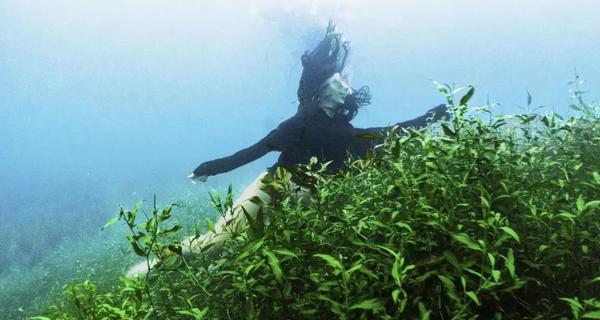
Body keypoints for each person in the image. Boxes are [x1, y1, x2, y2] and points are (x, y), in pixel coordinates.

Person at [126, 22, 446, 278]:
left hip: (310, 199)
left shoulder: (347, 134)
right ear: (321, 89)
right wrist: (209, 167)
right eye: (338, 78)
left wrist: (430, 118)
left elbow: (389, 135)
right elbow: (255, 151)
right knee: (219, 242)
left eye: (345, 80)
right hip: (271, 187)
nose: (345, 82)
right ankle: (156, 266)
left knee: (270, 254)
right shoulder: (300, 123)